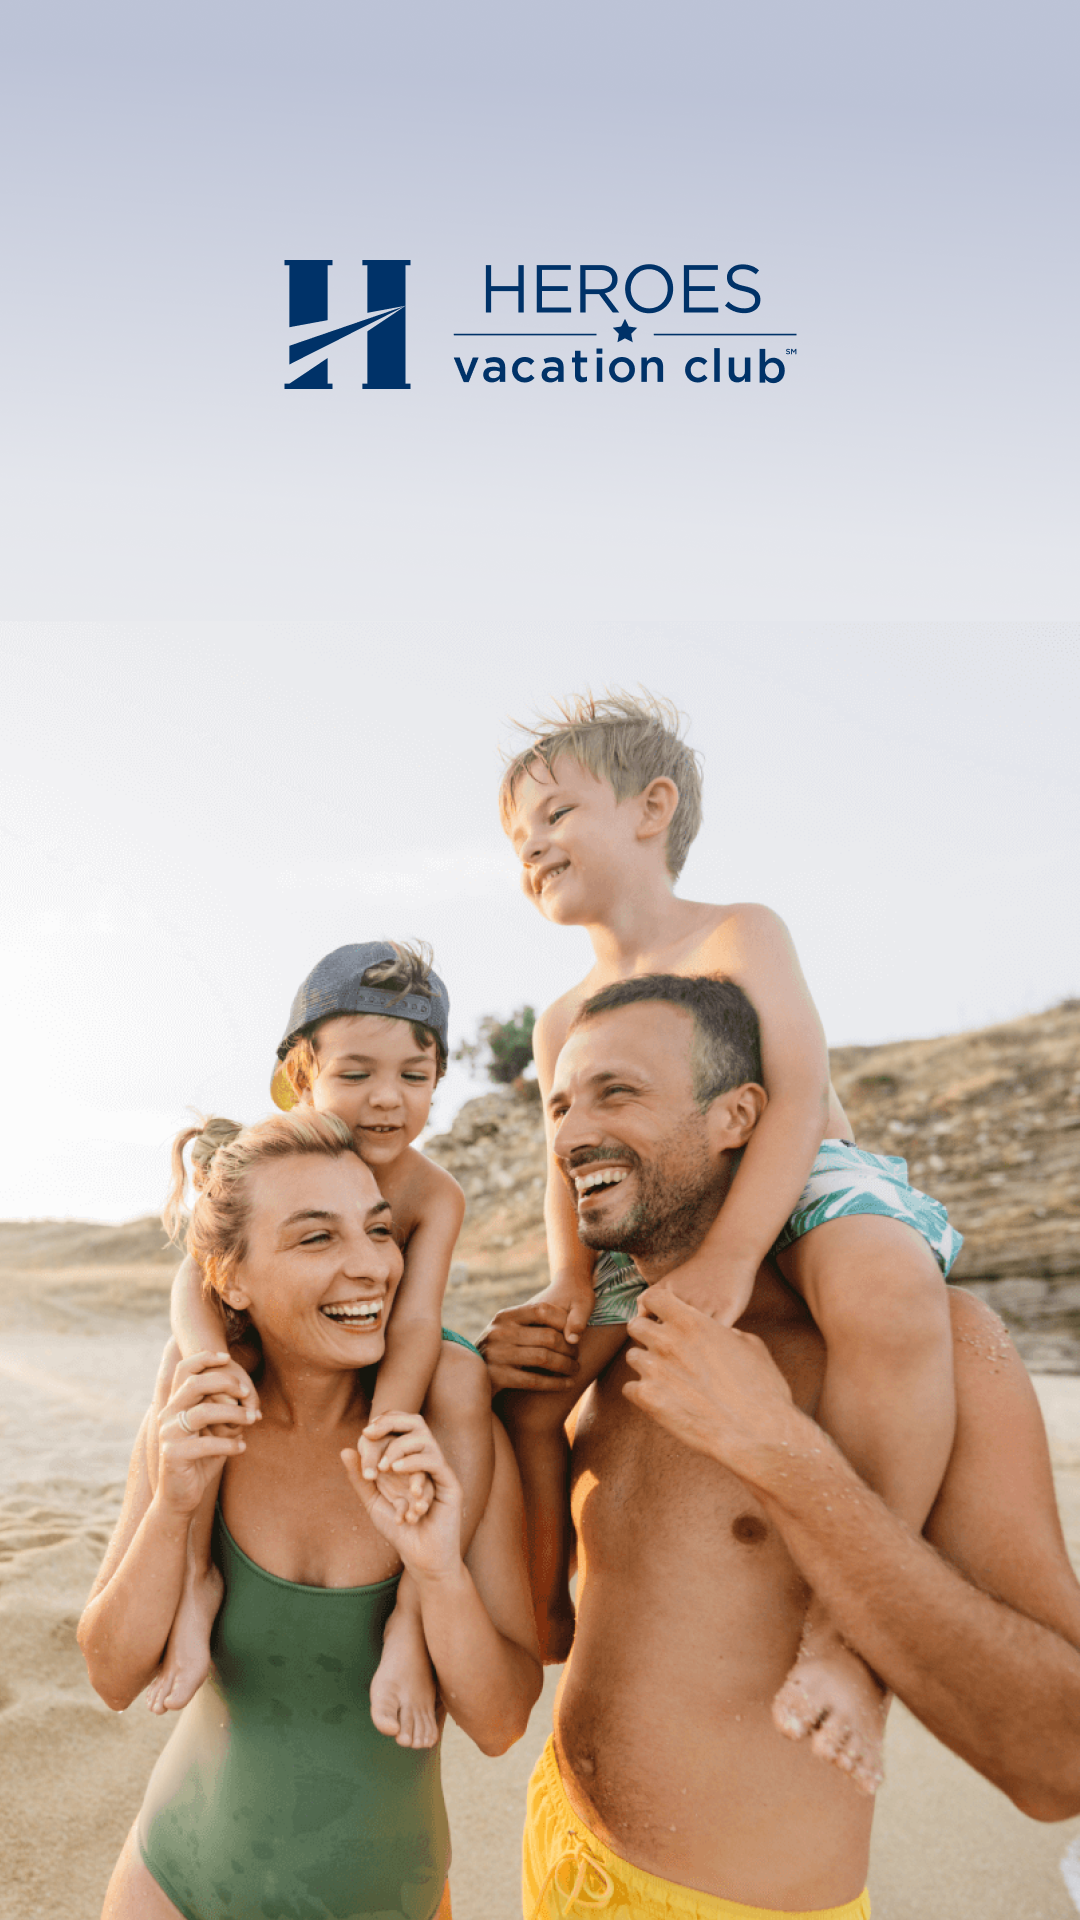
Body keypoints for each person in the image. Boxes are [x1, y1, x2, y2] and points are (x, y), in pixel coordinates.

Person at [479, 975, 1080, 1919]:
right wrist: (525, 1426)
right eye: (560, 1107)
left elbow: (1060, 1759)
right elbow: (553, 1635)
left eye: (617, 1093)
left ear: (738, 1116)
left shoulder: (936, 1349)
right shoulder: (619, 1342)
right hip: (560, 1852)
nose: (572, 1135)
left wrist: (782, 1453)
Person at [498, 690, 958, 1784]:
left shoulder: (738, 932)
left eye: (555, 815)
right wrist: (569, 1282)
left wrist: (734, 1258)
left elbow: (793, 1097)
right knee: (522, 1379)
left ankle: (852, 1637)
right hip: (653, 1222)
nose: (531, 848)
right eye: (516, 838)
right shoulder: (561, 1017)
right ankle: (542, 1607)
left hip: (797, 1185)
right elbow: (567, 1159)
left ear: (651, 808)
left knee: (886, 1288)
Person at [79, 1107, 541, 1920]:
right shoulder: (197, 1425)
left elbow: (500, 1723)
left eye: (379, 1231)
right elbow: (113, 1676)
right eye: (317, 1237)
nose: (371, 1267)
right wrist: (172, 1510)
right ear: (230, 1278)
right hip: (172, 1884)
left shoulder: (445, 1440)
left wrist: (437, 1571)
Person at [153, 941, 492, 1754]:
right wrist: (207, 1360)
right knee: (203, 1403)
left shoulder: (435, 1195)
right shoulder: (270, 1158)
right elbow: (196, 1277)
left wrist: (389, 1423)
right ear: (299, 1079)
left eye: (414, 1076)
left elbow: (416, 1320)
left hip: (387, 1341)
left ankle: (411, 1616)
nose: (387, 1098)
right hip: (279, 1335)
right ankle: (197, 1584)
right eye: (356, 1073)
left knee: (463, 1382)